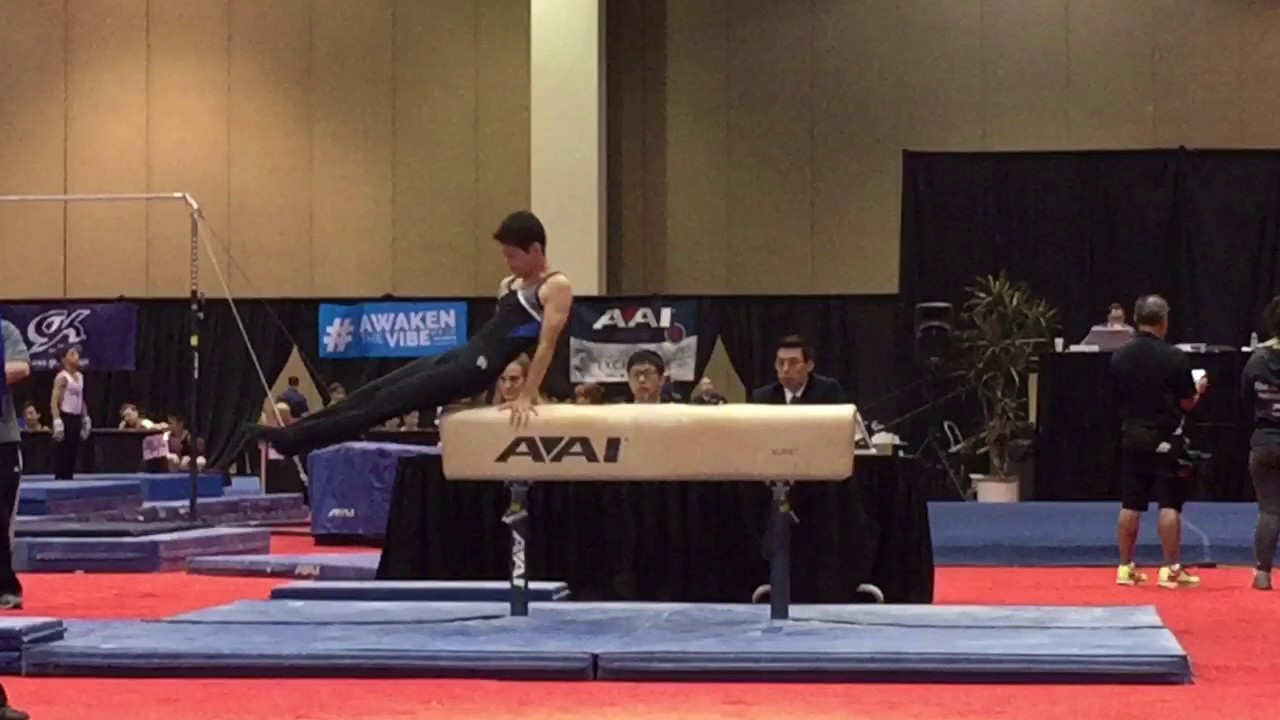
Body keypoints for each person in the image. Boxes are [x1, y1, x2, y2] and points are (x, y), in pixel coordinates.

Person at [252, 210, 573, 455]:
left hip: (476, 369)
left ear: (534, 249)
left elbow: (546, 345)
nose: (508, 263)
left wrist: (529, 394)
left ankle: (296, 442)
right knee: (374, 389)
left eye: (512, 255)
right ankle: (296, 432)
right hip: (464, 354)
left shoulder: (554, 287)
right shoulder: (509, 285)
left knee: (390, 402)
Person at [1110, 295, 1207, 589]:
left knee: (1131, 503)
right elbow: (1187, 402)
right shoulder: (1174, 357)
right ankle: (1170, 568)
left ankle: (1125, 567)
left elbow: (1116, 397)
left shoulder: (1120, 357)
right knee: (1169, 503)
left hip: (1132, 435)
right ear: (1164, 321)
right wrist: (1200, 389)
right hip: (1165, 438)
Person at [1240, 296, 1280, 590]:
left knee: (1270, 510)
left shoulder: (1256, 359)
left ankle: (1264, 573)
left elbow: (1245, 399)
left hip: (1265, 441)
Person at [1, 317, 31, 611]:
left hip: (2, 441)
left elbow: (20, 367)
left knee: (1, 516)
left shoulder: (4, 330)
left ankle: (6, 584)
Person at [751, 335, 845, 404]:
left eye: (793, 362)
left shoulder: (827, 391)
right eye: (781, 363)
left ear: (809, 365)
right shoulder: (763, 397)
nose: (785, 369)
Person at [50, 344, 90, 480]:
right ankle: (60, 478)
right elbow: (54, 400)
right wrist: (57, 420)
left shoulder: (80, 376)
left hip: (76, 417)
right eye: (72, 354)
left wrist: (85, 417)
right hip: (65, 416)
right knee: (63, 452)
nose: (77, 356)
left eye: (77, 354)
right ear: (64, 359)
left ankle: (69, 478)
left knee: (73, 451)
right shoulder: (62, 377)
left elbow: (81, 398)